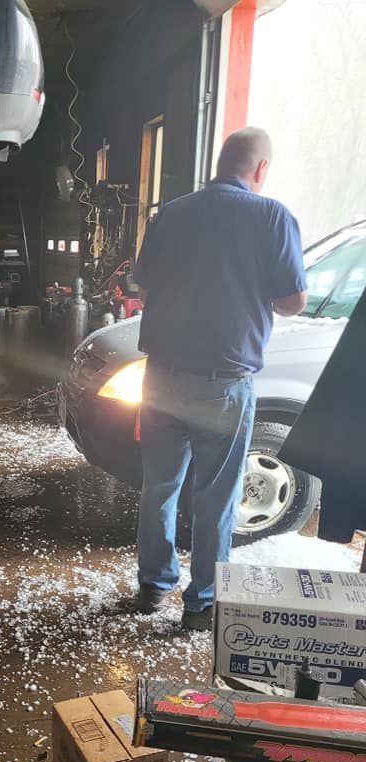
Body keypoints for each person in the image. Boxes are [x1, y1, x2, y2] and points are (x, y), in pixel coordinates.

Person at [130, 127, 307, 631]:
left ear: (219, 162)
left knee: (159, 487)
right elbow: (292, 300)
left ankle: (153, 584)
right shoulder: (273, 216)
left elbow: (144, 280)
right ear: (261, 169)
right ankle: (201, 603)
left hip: (161, 376)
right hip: (223, 384)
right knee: (215, 497)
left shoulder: (171, 214)